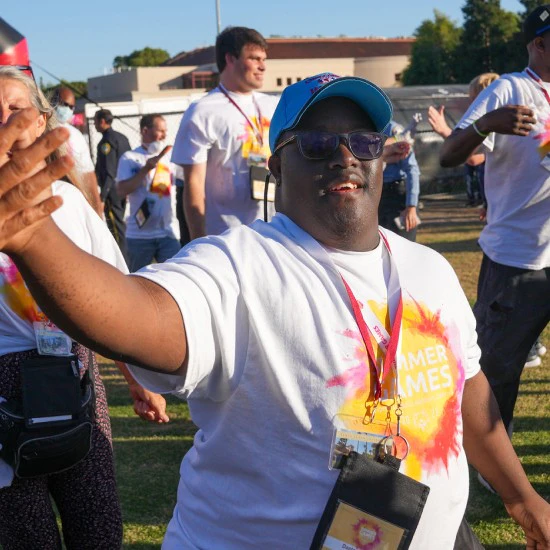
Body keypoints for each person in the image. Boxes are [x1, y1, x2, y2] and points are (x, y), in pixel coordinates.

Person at [0, 73, 549, 550]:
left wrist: (522, 497)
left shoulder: (430, 269)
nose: (345, 154)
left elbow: (467, 390)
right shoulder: (239, 265)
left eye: (364, 140)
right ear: (276, 165)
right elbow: (134, 314)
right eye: (316, 143)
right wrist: (32, 236)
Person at [440, 6, 550, 444]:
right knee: (498, 368)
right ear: (539, 43)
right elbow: (449, 154)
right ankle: (490, 455)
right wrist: (488, 124)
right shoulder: (510, 88)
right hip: (517, 259)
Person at [172, 26, 279, 239]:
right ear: (230, 59)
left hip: (277, 232)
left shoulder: (274, 105)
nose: (262, 67)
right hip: (226, 236)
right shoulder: (203, 111)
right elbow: (193, 183)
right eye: (254, 58)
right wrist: (198, 242)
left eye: (264, 59)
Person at [116, 114, 181, 272]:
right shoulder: (129, 158)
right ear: (145, 131)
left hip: (169, 233)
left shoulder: (170, 157)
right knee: (138, 283)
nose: (164, 135)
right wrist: (145, 170)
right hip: (139, 236)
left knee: (175, 278)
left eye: (165, 131)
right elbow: (121, 191)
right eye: (160, 131)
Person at [429, 73, 499, 216]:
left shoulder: (493, 121)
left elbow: (474, 158)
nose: (471, 103)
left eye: (474, 99)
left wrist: (445, 131)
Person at [52, 86, 103, 216]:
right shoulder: (39, 129)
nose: (68, 110)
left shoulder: (75, 134)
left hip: (75, 199)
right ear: (53, 102)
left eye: (71, 107)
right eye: (65, 105)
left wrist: (97, 208)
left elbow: (87, 172)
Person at [94, 108, 131, 260]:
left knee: (116, 229)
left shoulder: (107, 142)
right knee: (121, 226)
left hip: (112, 191)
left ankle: (123, 262)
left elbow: (109, 172)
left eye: (96, 121)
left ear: (103, 121)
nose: (95, 124)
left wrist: (102, 197)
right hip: (123, 187)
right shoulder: (122, 137)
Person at [379, 120, 421, 241]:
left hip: (397, 197)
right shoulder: (364, 129)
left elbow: (411, 169)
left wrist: (411, 206)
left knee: (402, 244)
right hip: (376, 195)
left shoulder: (393, 129)